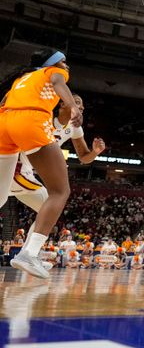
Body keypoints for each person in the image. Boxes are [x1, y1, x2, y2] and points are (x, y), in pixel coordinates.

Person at [0, 49, 82, 279]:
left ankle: (30, 253)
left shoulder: (22, 79)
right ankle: (29, 253)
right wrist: (72, 106)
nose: (67, 66)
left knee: (0, 196)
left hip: (4, 121)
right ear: (54, 63)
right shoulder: (53, 72)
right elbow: (58, 81)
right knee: (60, 191)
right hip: (30, 120)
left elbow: (4, 102)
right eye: (64, 61)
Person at [12, 94, 105, 236]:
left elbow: (84, 157)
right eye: (78, 102)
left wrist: (95, 152)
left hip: (26, 172)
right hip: (16, 167)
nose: (82, 107)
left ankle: (28, 254)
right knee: (49, 210)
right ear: (62, 104)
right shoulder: (45, 117)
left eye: (82, 104)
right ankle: (28, 254)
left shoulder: (74, 128)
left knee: (49, 211)